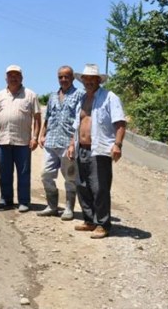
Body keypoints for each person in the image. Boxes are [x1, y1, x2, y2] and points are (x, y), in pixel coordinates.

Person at [67, 64, 126, 239]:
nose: (89, 82)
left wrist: (117, 144)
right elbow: (76, 126)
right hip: (81, 148)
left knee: (100, 187)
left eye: (93, 79)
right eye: (86, 79)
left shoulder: (109, 97)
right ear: (83, 81)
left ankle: (103, 224)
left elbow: (120, 123)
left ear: (98, 80)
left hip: (99, 149)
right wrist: (72, 144)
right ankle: (89, 220)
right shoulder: (82, 99)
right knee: (82, 186)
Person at [0, 65, 41, 213]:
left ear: (21, 78)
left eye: (16, 75)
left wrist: (35, 137)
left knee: (23, 173)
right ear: (6, 78)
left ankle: (24, 201)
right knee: (4, 172)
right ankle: (6, 200)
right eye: (10, 75)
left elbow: (37, 118)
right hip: (4, 140)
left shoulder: (30, 95)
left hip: (23, 142)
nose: (13, 77)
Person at [37, 65, 83, 219]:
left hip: (67, 143)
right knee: (45, 174)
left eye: (66, 76)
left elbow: (79, 121)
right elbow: (48, 116)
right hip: (51, 142)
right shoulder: (53, 96)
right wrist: (42, 134)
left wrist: (72, 143)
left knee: (70, 177)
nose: (63, 79)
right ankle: (52, 206)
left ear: (72, 78)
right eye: (60, 77)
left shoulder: (79, 95)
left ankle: (69, 208)